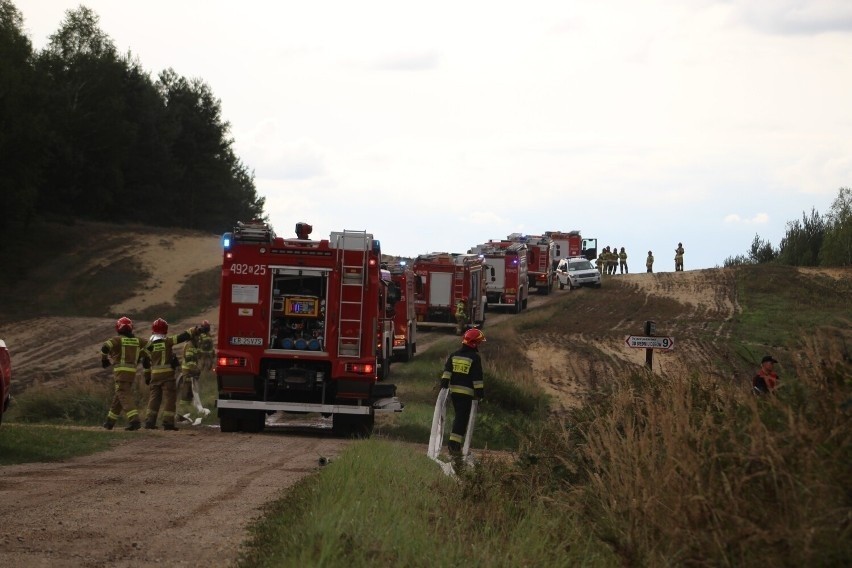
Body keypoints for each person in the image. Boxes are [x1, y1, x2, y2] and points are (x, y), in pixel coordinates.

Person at [140, 318, 198, 430]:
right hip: (167, 376)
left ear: (153, 331)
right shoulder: (167, 342)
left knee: (154, 399)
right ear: (165, 331)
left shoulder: (148, 346)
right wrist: (193, 330)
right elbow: (182, 337)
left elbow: (145, 363)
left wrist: (147, 377)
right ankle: (168, 423)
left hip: (155, 376)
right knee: (170, 399)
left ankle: (149, 422)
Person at [440, 328, 486, 461]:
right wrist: (480, 395)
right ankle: (454, 446)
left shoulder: (454, 355)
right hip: (467, 395)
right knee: (461, 420)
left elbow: (446, 374)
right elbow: (477, 378)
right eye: (479, 343)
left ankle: (454, 445)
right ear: (474, 344)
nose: (479, 345)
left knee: (459, 418)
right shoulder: (475, 358)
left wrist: (443, 387)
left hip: (454, 393)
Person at [99, 316, 144, 431]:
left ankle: (134, 421)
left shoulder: (117, 340)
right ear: (131, 328)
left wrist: (104, 360)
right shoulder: (138, 341)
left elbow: (105, 346)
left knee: (123, 395)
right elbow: (151, 346)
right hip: (131, 374)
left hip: (121, 373)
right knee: (119, 397)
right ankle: (109, 422)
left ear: (118, 328)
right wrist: (142, 356)